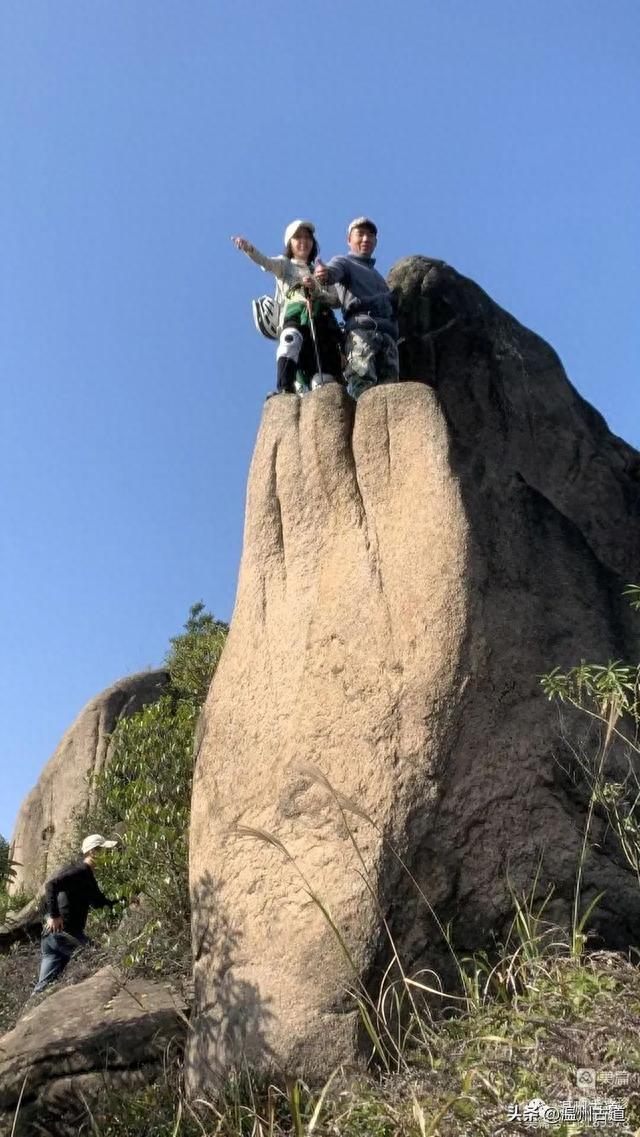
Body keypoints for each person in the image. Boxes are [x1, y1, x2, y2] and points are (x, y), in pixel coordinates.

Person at [232, 220, 342, 397]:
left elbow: (336, 301)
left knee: (321, 377)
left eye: (307, 237)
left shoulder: (320, 271)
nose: (303, 242)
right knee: (290, 340)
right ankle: (285, 388)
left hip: (320, 320)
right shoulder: (285, 265)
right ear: (290, 242)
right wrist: (248, 249)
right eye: (297, 237)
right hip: (294, 314)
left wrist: (316, 290)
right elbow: (266, 262)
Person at [314, 217, 399, 400]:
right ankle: (365, 426)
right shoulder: (344, 262)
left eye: (370, 236)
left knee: (391, 392)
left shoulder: (379, 278)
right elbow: (331, 273)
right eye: (360, 234)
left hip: (388, 336)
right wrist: (323, 274)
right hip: (362, 331)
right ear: (349, 240)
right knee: (363, 385)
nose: (366, 239)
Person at [32, 833, 119, 994]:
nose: (109, 854)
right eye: (105, 850)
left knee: (42, 988)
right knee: (99, 957)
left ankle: (28, 1015)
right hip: (63, 933)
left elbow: (100, 904)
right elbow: (51, 885)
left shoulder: (87, 876)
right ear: (93, 852)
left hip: (51, 936)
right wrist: (54, 916)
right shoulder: (80, 871)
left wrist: (125, 901)